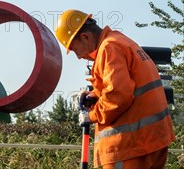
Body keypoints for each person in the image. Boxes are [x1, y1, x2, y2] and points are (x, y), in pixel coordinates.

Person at [55, 9, 176, 169]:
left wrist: (90, 115)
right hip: (152, 140)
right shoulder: (121, 42)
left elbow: (118, 97)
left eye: (75, 49)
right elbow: (127, 86)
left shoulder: (109, 48)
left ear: (85, 36)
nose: (78, 56)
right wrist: (95, 94)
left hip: (130, 147)